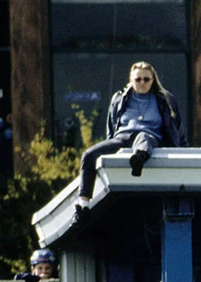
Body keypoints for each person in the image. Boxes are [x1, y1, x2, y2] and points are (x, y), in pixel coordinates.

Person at [77, 62, 186, 213]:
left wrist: (181, 150)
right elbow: (112, 123)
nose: (142, 83)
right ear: (131, 80)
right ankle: (83, 204)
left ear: (153, 80)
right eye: (138, 79)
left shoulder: (165, 99)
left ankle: (139, 159)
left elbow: (176, 127)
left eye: (146, 79)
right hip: (124, 136)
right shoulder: (120, 98)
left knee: (143, 137)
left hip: (150, 136)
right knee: (89, 154)